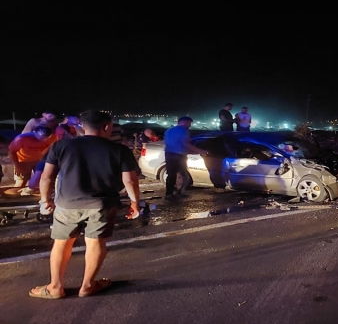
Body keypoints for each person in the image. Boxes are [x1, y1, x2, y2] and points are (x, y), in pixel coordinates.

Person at [28, 110, 141, 299]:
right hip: (102, 204)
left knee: (62, 243)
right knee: (95, 242)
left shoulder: (61, 145)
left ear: (81, 126)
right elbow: (130, 181)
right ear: (106, 127)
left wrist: (45, 201)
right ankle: (87, 286)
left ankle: (55, 287)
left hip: (67, 204)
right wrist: (135, 203)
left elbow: (46, 177)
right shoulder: (119, 150)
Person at [163, 116, 208, 200]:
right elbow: (185, 143)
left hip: (169, 153)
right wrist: (201, 151)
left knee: (171, 175)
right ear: (184, 122)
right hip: (179, 155)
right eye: (189, 123)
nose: (190, 125)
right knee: (183, 175)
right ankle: (179, 192)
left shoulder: (169, 131)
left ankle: (168, 194)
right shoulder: (184, 131)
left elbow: (172, 143)